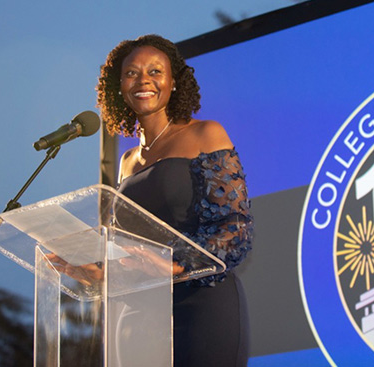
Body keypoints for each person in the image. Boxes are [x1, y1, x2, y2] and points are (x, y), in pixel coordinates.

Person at [95, 34, 253, 367]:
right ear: (119, 87)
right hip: (140, 313)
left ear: (173, 82)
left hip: (201, 305)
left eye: (155, 71)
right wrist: (100, 272)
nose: (144, 81)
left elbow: (234, 230)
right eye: (132, 73)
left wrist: (177, 264)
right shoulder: (125, 163)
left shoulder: (204, 134)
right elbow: (131, 245)